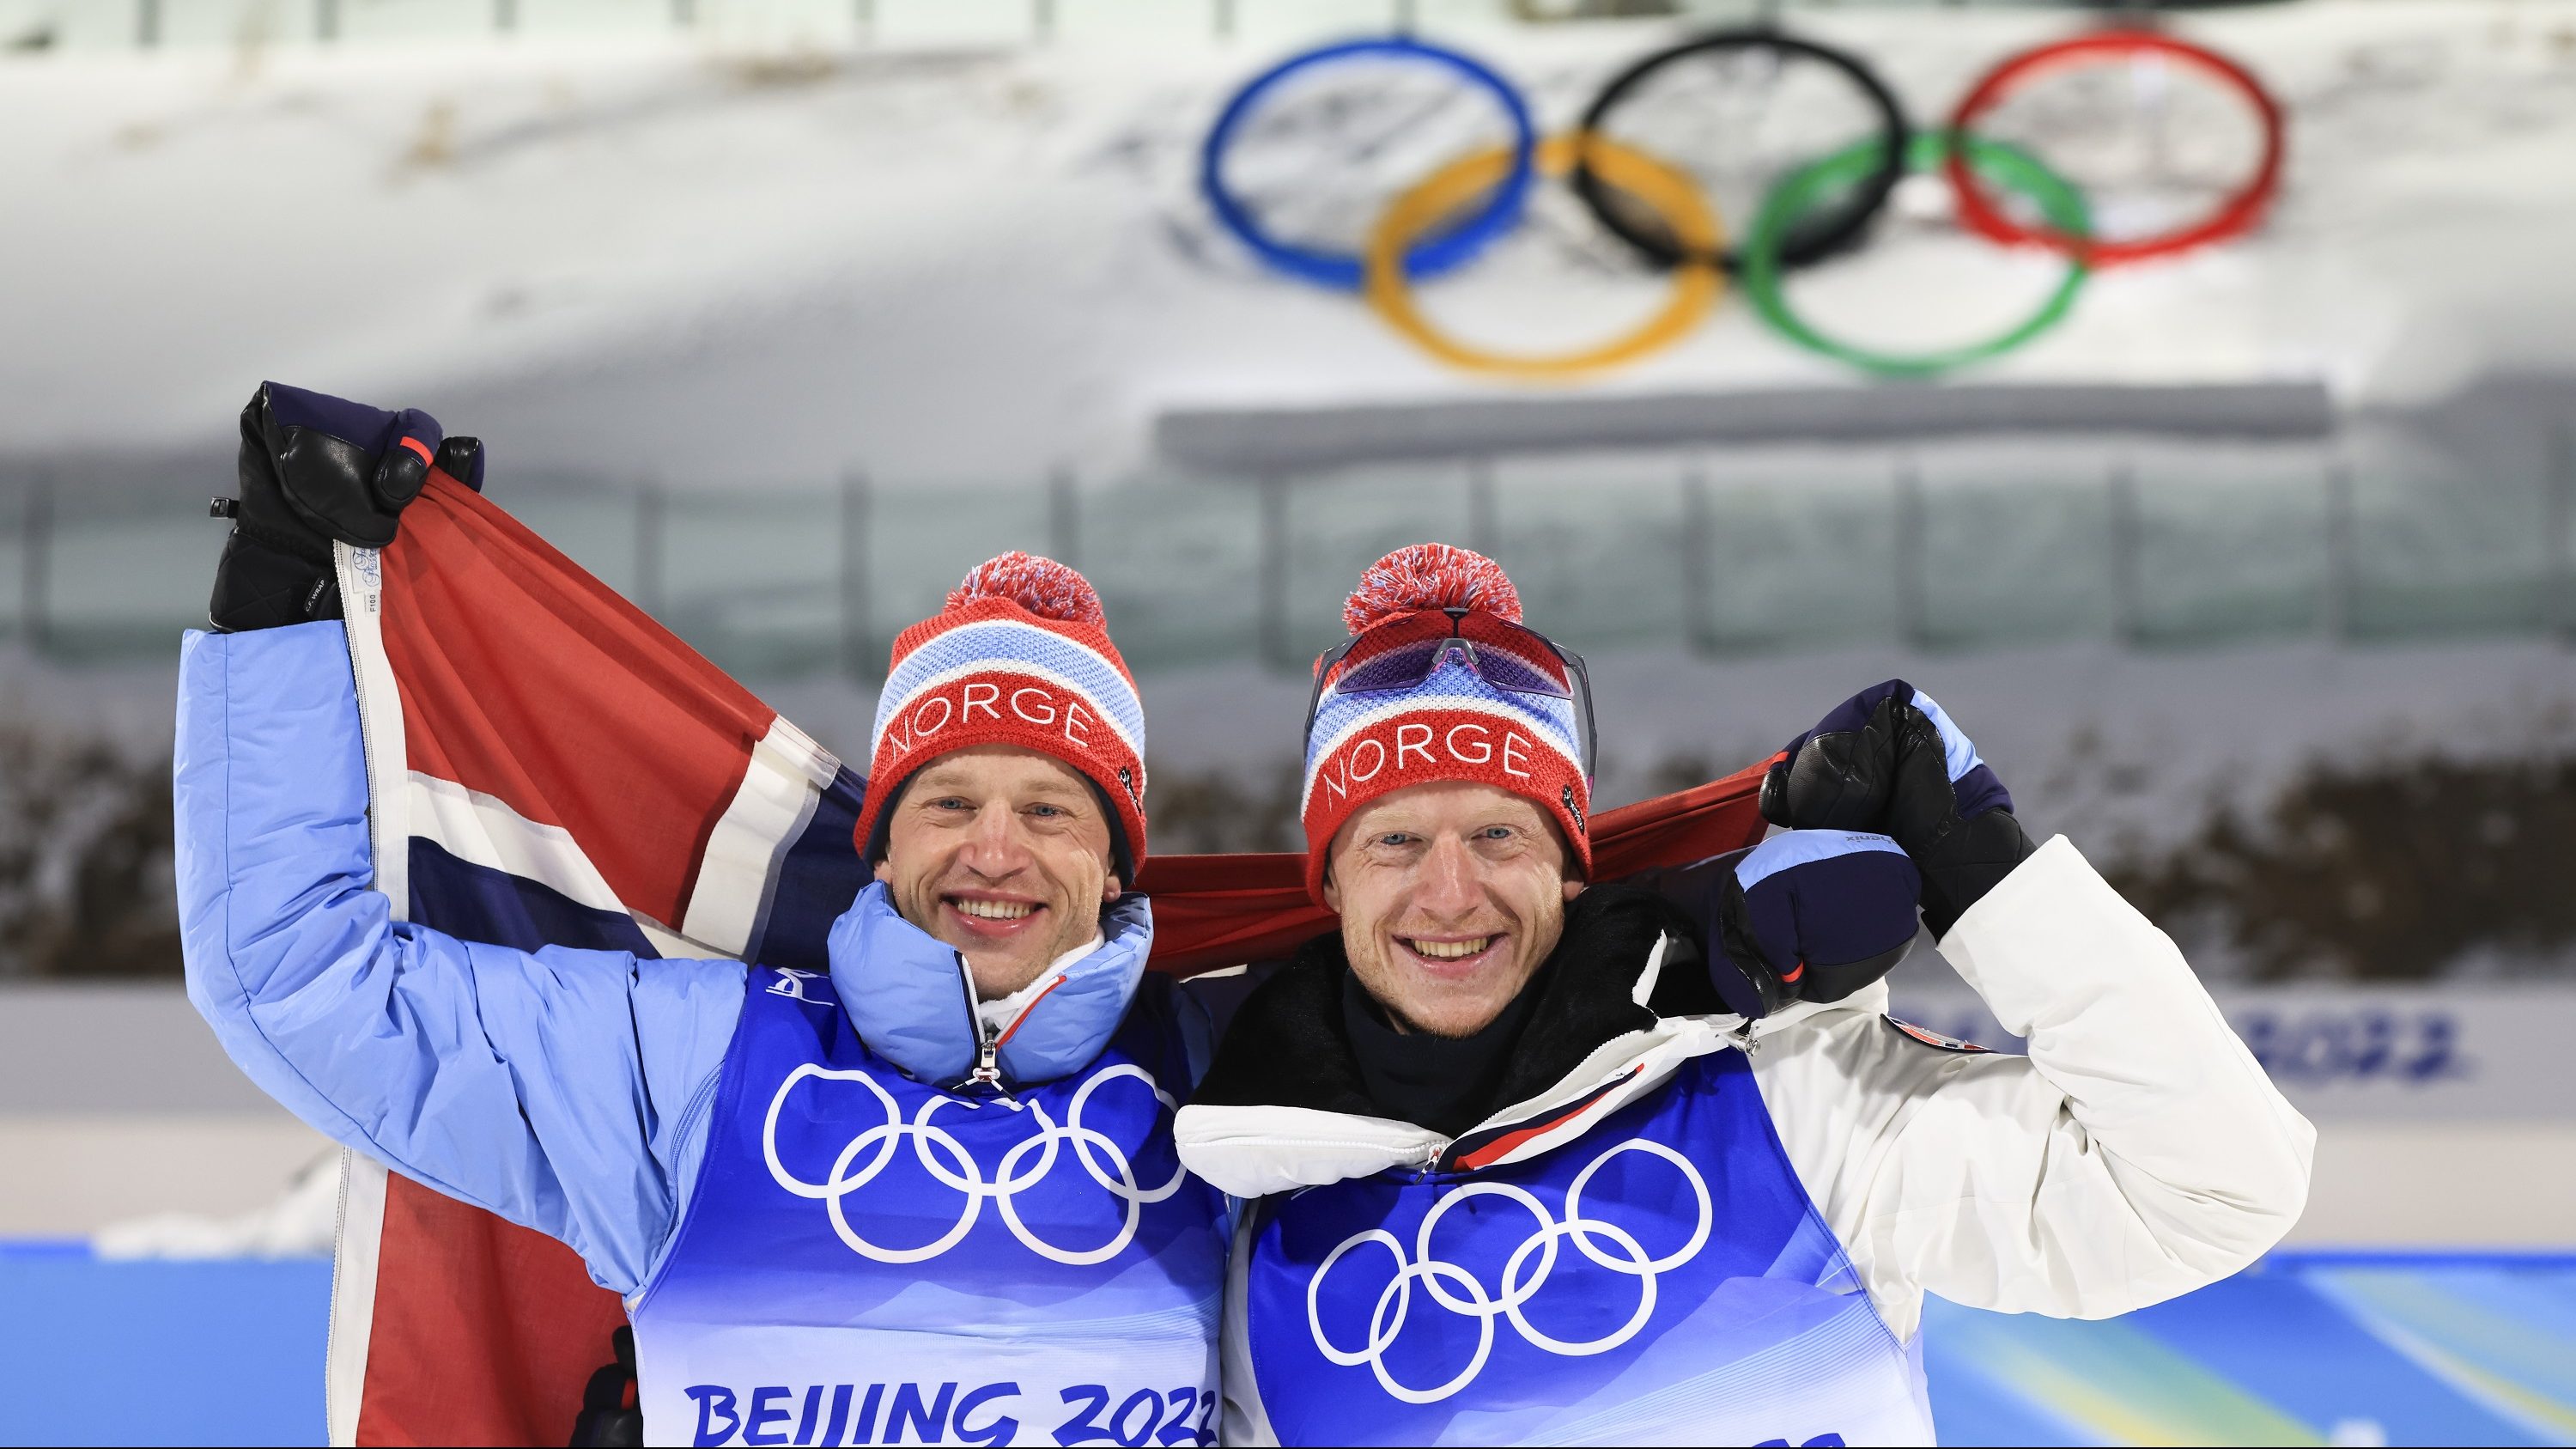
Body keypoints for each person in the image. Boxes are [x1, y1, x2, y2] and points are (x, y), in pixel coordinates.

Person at [181, 384, 1230, 1447]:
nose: (993, 850)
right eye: (948, 802)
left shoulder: (1237, 1084)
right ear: (882, 844)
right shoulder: (694, 1060)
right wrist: (290, 596)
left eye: (1048, 811)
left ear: (1113, 867)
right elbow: (303, 981)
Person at [1174, 543, 2316, 1446]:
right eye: (1395, 839)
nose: (1451, 888)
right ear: (1328, 878)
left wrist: (1987, 873)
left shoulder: (1790, 1098)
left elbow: (2209, 1191)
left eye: (1499, 831)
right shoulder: (1264, 1236)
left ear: (1572, 863)